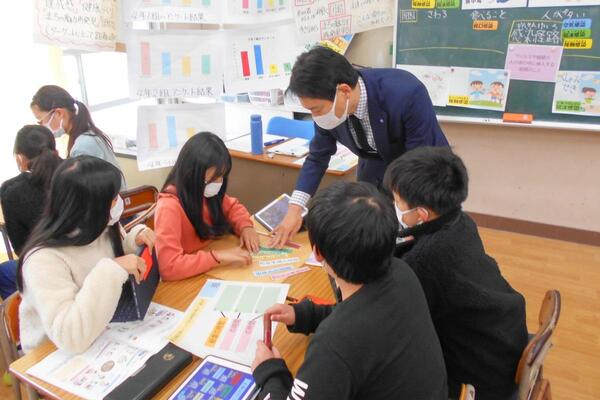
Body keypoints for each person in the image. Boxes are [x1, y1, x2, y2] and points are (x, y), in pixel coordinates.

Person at [252, 182, 447, 400]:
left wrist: (269, 371)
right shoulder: (401, 273)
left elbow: (351, 330)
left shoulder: (334, 344)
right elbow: (363, 321)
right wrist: (304, 315)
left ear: (317, 252)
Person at [384, 147, 528, 400]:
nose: (394, 206)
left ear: (421, 214)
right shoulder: (461, 221)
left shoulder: (426, 259)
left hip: (481, 377)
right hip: (504, 340)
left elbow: (396, 320)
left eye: (397, 202)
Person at [269, 46, 448, 248]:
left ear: (344, 91)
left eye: (316, 109)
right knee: (371, 237)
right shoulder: (328, 109)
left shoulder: (406, 93)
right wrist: (295, 209)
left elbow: (419, 161)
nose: (315, 116)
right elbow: (318, 157)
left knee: (423, 242)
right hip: (373, 170)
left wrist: (404, 214)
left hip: (426, 170)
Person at [18, 156, 155, 353]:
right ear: (91, 207)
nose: (119, 202)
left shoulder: (99, 226)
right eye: (113, 199)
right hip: (53, 353)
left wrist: (135, 240)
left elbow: (116, 258)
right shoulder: (42, 260)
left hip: (104, 329)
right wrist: (113, 268)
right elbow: (70, 337)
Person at [154, 132, 259, 281]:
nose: (219, 183)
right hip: (187, 279)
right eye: (214, 179)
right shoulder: (169, 207)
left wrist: (246, 227)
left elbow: (233, 207)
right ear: (192, 174)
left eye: (222, 176)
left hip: (208, 266)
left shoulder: (206, 193)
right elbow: (169, 267)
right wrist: (217, 257)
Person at [0, 125, 63, 299]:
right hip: (94, 260)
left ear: (20, 158)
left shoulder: (12, 191)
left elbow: (22, 249)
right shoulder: (78, 170)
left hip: (52, 270)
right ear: (56, 151)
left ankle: (28, 312)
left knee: (4, 271)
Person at [30, 85, 126, 190]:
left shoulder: (83, 146)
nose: (42, 125)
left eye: (41, 120)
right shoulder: (89, 135)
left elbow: (86, 191)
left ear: (58, 113)